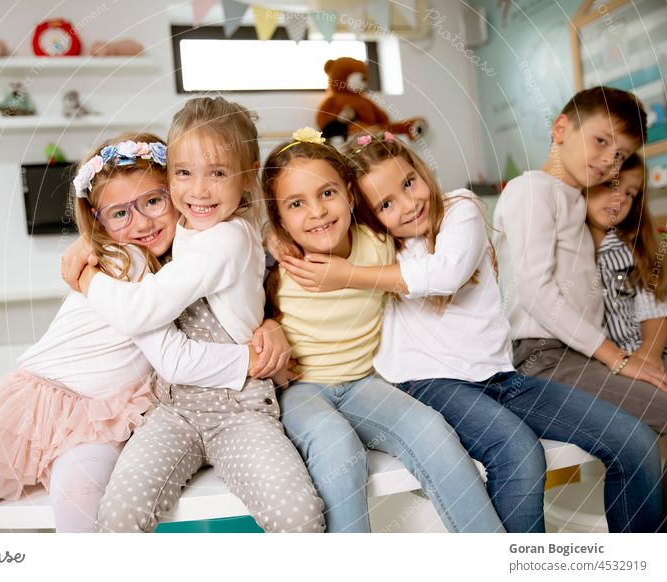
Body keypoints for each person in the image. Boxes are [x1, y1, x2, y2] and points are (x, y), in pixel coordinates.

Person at [281, 130, 663, 532]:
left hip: (503, 376)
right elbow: (303, 226)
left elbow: (446, 273)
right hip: (430, 384)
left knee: (636, 441)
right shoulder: (374, 243)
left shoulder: (459, 208)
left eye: (409, 182)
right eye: (387, 203)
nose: (410, 204)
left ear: (420, 170)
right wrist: (276, 238)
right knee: (518, 451)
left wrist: (348, 275)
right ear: (370, 216)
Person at [0, 132, 270, 533]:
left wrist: (270, 324)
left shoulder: (187, 260)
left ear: (175, 194)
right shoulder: (127, 260)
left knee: (81, 516)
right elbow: (155, 337)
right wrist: (253, 359)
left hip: (99, 418)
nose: (141, 222)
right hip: (32, 403)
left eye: (154, 201)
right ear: (98, 218)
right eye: (120, 213)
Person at [72, 99, 324, 533]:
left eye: (218, 173)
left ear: (247, 174)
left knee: (297, 515)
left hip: (239, 408)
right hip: (174, 407)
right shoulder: (183, 227)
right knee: (118, 514)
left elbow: (144, 308)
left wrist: (86, 278)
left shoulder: (224, 238)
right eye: (184, 173)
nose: (199, 190)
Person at [260, 128, 504, 533]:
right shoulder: (276, 260)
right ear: (280, 219)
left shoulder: (379, 243)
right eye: (296, 204)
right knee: (336, 445)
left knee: (431, 429)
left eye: (327, 193)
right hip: (299, 390)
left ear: (350, 195)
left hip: (363, 383)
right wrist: (269, 321)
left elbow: (428, 250)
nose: (317, 212)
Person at [493, 86, 667, 435]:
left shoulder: (577, 202)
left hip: (580, 354)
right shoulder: (531, 191)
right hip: (542, 357)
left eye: (620, 155)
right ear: (560, 129)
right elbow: (535, 293)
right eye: (601, 141)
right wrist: (618, 359)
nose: (608, 160)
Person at [585, 153, 667, 364]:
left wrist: (649, 356)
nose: (621, 198)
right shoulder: (569, 248)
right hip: (601, 364)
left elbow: (654, 308)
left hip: (643, 354)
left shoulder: (631, 251)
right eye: (611, 185)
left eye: (630, 193)